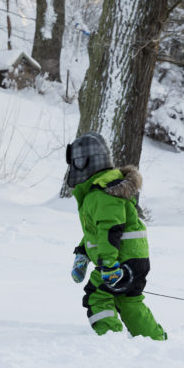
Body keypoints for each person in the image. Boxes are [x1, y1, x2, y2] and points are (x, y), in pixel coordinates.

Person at [67, 132, 167, 341]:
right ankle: (155, 340)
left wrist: (109, 265)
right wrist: (82, 254)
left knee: (97, 294)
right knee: (128, 301)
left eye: (76, 162)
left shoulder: (101, 194)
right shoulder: (103, 191)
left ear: (85, 162)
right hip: (133, 260)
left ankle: (109, 338)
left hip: (121, 262)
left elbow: (110, 230)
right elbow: (95, 233)